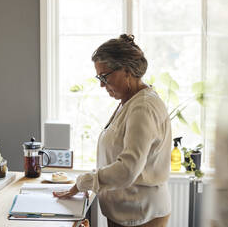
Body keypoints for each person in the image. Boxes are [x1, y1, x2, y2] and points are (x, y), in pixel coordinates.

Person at [53, 34, 172, 227]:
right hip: (128, 211)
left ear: (126, 70)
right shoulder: (129, 101)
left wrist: (84, 182)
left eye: (105, 76)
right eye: (99, 77)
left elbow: (127, 169)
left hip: (140, 214)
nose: (101, 84)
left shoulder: (142, 107)